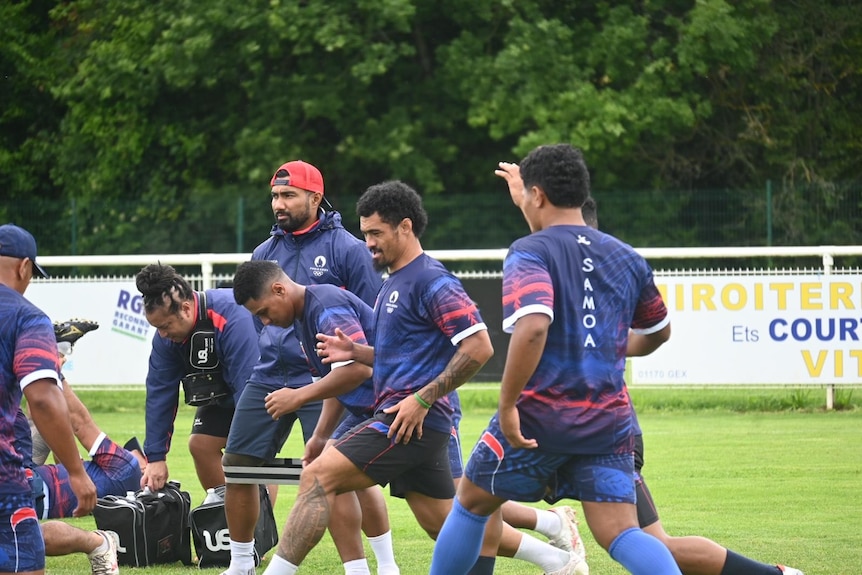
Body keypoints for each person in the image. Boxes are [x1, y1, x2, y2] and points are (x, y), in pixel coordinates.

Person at [427, 144, 681, 575]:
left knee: (471, 502)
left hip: (541, 416)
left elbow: (534, 325)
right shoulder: (626, 257)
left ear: (538, 195)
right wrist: (613, 346)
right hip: (608, 420)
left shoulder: (530, 251)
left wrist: (507, 405)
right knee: (621, 533)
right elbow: (659, 331)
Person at [252, 180, 493, 575]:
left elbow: (479, 347)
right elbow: (396, 356)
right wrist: (356, 353)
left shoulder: (432, 279)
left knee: (316, 475)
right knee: (448, 522)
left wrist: (423, 399)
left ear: (406, 227)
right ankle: (555, 554)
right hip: (406, 419)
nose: (368, 244)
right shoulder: (390, 286)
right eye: (364, 234)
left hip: (412, 418)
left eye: (376, 234)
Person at [579, 196, 805, 575]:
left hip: (600, 431)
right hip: (564, 425)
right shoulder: (559, 266)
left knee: (652, 543)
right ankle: (551, 542)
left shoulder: (600, 272)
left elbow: (653, 333)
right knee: (473, 501)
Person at [220, 160, 385, 575]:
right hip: (270, 375)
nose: (279, 203)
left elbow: (372, 318)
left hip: (329, 377)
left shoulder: (347, 248)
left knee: (336, 472)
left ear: (315, 197)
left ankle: (371, 567)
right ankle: (240, 564)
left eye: (288, 195)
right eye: (275, 196)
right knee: (237, 466)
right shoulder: (264, 252)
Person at [231, 259, 400, 575]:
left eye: (264, 312)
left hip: (402, 407)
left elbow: (358, 368)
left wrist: (297, 396)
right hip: (372, 408)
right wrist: (321, 436)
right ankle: (362, 570)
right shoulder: (301, 319)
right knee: (327, 474)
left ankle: (385, 567)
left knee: (447, 512)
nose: (265, 322)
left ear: (279, 289)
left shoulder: (325, 305)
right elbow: (338, 382)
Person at [0, 223, 97, 574]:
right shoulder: (25, 315)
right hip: (2, 479)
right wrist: (75, 471)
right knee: (24, 562)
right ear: (24, 267)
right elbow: (42, 397)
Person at [136, 263, 260, 492]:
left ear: (185, 308)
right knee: (201, 445)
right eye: (157, 328)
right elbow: (159, 394)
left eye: (165, 326)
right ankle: (226, 517)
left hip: (265, 391)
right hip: (225, 395)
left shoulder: (233, 316)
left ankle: (259, 524)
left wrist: (245, 442)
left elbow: (249, 385)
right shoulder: (165, 339)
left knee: (246, 455)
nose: (162, 335)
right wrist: (155, 458)